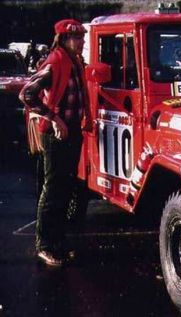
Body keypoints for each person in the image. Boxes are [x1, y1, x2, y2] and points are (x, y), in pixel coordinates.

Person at [19, 19, 91, 267]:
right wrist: (53, 117)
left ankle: (57, 242)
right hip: (55, 133)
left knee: (64, 188)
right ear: (64, 39)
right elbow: (27, 93)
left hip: (71, 131)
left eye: (82, 37)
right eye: (77, 38)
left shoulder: (74, 62)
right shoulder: (55, 61)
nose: (82, 42)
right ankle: (45, 245)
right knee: (53, 190)